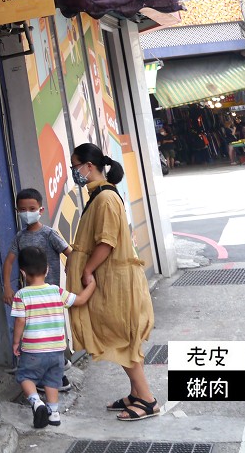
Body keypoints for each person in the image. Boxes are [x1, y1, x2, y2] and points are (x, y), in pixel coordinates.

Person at [66, 143, 158, 422]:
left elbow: (107, 242)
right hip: (112, 280)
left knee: (121, 337)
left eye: (75, 166)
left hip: (114, 282)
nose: (75, 172)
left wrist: (87, 272)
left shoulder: (105, 198)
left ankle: (147, 399)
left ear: (89, 166)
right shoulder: (101, 195)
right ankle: (135, 392)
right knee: (122, 337)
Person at [11, 246, 96, 429]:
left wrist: (16, 342)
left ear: (23, 272)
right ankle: (54, 413)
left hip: (33, 350)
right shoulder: (57, 292)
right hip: (57, 350)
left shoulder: (21, 295)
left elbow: (20, 322)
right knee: (52, 380)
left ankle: (36, 402)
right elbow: (80, 300)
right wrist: (92, 285)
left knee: (25, 376)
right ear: (47, 269)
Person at [1, 188, 73, 392]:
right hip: (30, 296)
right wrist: (7, 286)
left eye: (31, 208)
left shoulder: (49, 234)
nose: (27, 212)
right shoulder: (20, 237)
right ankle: (51, 371)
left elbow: (70, 252)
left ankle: (59, 377)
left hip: (50, 295)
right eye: (22, 209)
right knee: (35, 334)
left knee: (50, 333)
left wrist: (70, 269)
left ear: (40, 209)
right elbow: (8, 262)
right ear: (17, 210)